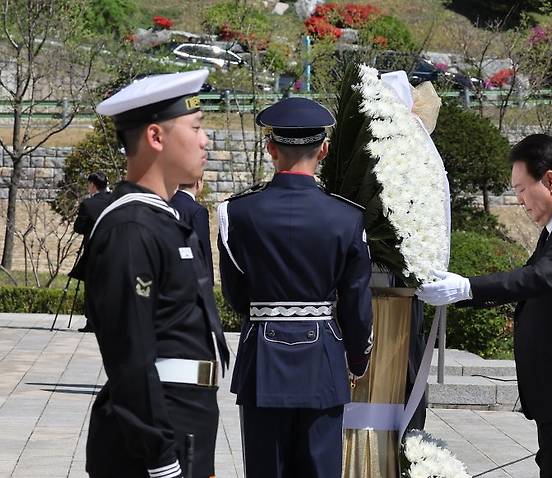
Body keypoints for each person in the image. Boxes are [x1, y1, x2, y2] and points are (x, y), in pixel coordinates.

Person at [417, 134, 552, 478]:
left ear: (549, 180)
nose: (518, 200)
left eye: (520, 189)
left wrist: (467, 287)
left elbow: (537, 278)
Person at [77, 69, 230, 478]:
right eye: (196, 127)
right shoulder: (131, 229)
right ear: (156, 137)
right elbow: (131, 358)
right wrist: (161, 460)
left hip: (185, 423)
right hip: (153, 445)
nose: (204, 139)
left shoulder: (161, 220)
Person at [217, 97, 373, 478]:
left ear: (270, 147)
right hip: (322, 361)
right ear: (324, 148)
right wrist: (357, 359)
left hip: (262, 363)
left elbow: (237, 297)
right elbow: (356, 303)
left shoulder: (235, 212)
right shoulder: (347, 217)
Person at [73, 171, 112, 333]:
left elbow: (78, 228)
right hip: (115, 247)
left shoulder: (88, 205)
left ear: (93, 185)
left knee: (92, 287)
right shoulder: (115, 200)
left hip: (94, 250)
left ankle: (92, 322)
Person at [170, 177, 214, 283]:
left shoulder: (166, 204)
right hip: (190, 279)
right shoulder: (197, 211)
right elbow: (202, 250)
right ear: (198, 183)